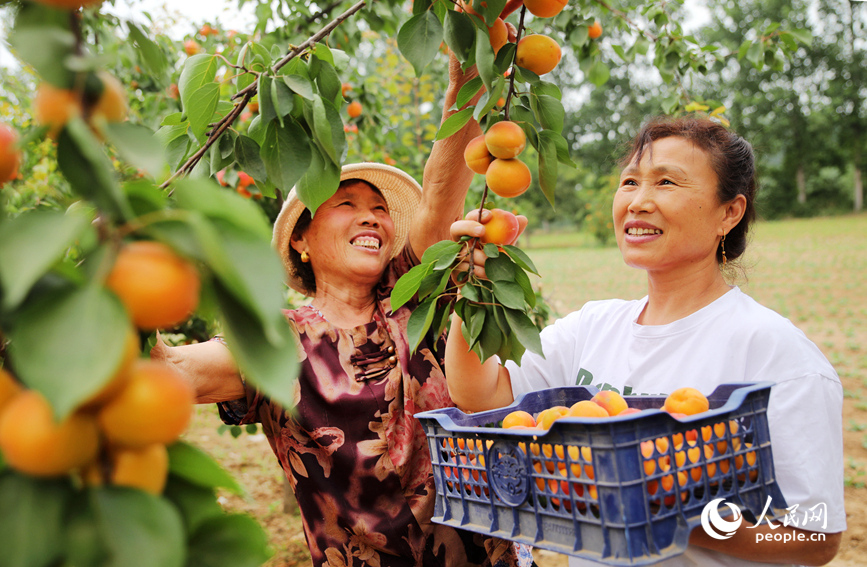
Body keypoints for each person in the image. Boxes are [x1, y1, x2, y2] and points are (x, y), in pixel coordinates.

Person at [151, 56, 532, 567]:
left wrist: (466, 75)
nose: (371, 217)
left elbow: (441, 194)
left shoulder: (414, 291)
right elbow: (173, 372)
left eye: (379, 209)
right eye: (346, 204)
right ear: (302, 238)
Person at [444, 117, 845, 567]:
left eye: (667, 182)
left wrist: (662, 513)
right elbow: (481, 394)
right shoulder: (594, 325)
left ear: (729, 213)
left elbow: (815, 538)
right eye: (629, 181)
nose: (638, 201)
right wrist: (471, 290)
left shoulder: (773, 351)